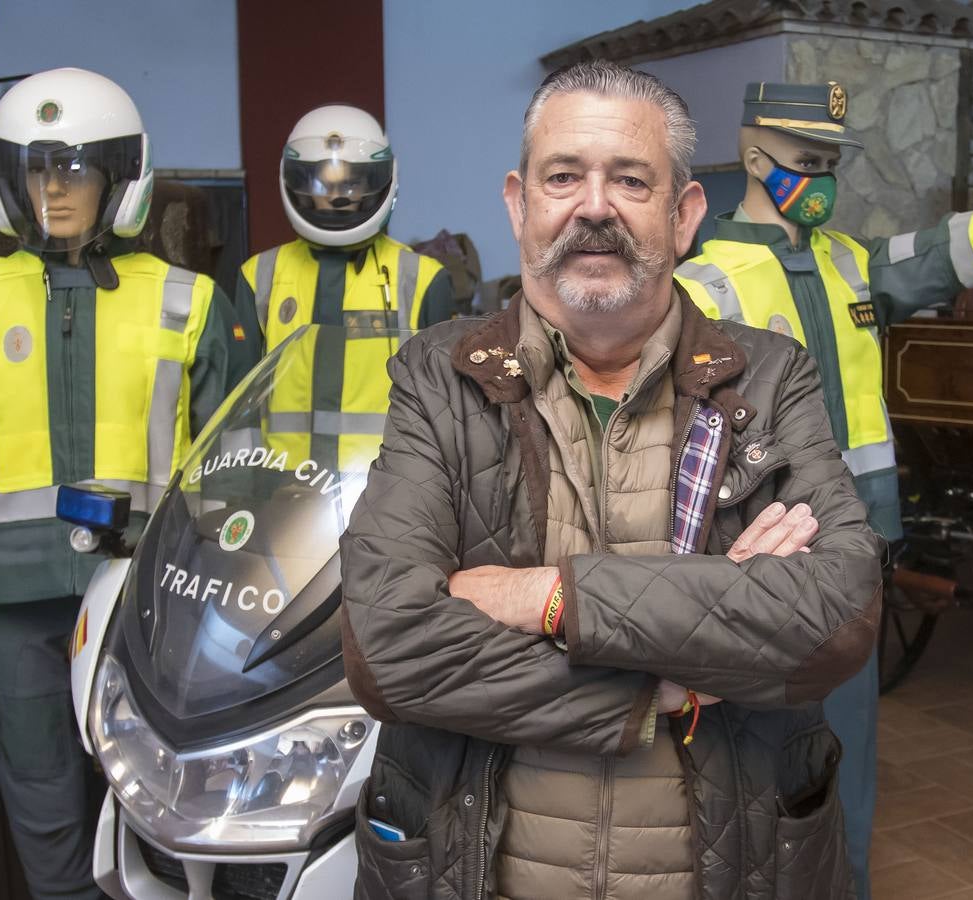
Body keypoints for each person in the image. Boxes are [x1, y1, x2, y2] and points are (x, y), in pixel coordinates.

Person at [339, 60, 884, 899]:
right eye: (564, 177)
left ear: (683, 213)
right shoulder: (437, 378)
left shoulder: (769, 380)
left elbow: (836, 615)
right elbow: (385, 649)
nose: (594, 206)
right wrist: (656, 688)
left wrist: (551, 600)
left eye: (630, 179)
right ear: (520, 204)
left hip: (731, 869)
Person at [676, 81, 973, 899]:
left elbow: (962, 245)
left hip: (854, 558)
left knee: (847, 761)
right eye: (807, 160)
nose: (823, 178)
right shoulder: (702, 287)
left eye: (831, 162)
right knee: (746, 761)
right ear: (754, 157)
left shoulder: (850, 263)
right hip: (755, 565)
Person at [0, 67, 246, 899]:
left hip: (153, 596)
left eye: (77, 171)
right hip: (16, 601)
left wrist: (229, 597)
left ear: (120, 180)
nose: (55, 190)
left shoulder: (188, 303)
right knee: (42, 786)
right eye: (38, 171)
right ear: (6, 182)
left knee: (160, 780)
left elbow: (230, 468)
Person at [232, 105, 455, 472]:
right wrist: (242, 489)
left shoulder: (422, 279)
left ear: (379, 182)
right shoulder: (260, 276)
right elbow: (239, 404)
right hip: (280, 487)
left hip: (386, 491)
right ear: (297, 183)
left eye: (351, 184)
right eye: (322, 184)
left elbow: (443, 407)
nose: (336, 197)